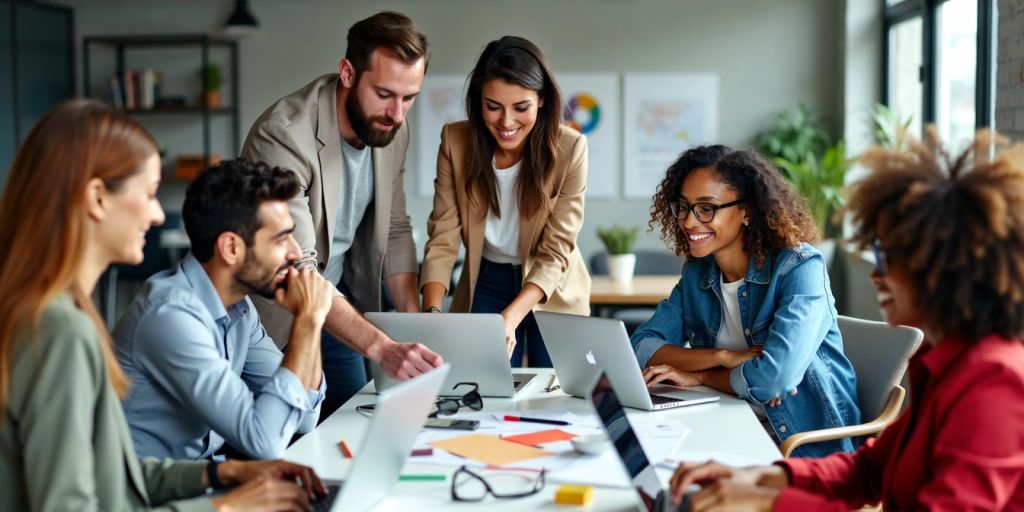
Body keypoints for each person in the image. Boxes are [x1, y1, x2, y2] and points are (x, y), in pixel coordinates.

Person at [667, 131, 1024, 511]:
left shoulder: (993, 382)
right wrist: (765, 477)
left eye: (888, 260)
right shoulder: (944, 363)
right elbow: (868, 471)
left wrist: (770, 504)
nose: (875, 276)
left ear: (941, 270)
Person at [0, 99, 325, 511]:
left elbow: (113, 477)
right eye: (150, 193)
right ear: (98, 198)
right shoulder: (61, 329)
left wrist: (219, 475)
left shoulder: (66, 315)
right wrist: (224, 508)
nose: (157, 215)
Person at [242, 10, 443, 417]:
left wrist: (418, 327)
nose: (397, 114)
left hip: (339, 305)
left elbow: (395, 227)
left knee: (358, 423)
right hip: (279, 317)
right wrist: (383, 348)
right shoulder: (284, 136)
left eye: (409, 98)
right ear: (348, 73)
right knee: (286, 438)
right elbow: (297, 266)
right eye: (384, 94)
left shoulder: (391, 129)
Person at [630, 145, 860, 457]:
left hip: (800, 445)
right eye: (683, 207)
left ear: (746, 211)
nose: (689, 222)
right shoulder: (698, 272)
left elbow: (773, 379)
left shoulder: (801, 268)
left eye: (707, 208)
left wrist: (699, 375)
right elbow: (643, 346)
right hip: (726, 423)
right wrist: (725, 357)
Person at [113, 159, 331, 461]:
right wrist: (308, 320)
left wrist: (312, 320)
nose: (296, 252)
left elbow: (304, 418)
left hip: (207, 479)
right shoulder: (170, 317)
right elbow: (265, 441)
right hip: (150, 497)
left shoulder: (240, 310)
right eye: (281, 239)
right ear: (231, 248)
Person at [419, 36, 591, 367]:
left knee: (552, 397)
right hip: (486, 282)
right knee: (482, 391)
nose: (506, 122)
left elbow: (557, 249)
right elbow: (443, 236)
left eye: (520, 108)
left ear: (541, 100)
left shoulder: (571, 148)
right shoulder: (456, 142)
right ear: (478, 101)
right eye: (493, 107)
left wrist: (510, 316)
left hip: (552, 289)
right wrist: (433, 313)